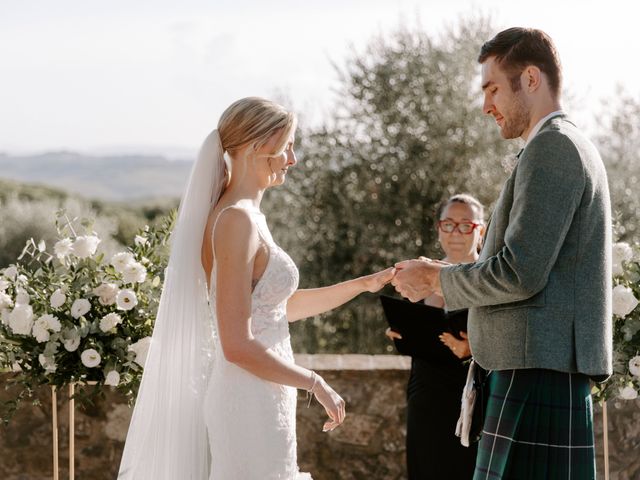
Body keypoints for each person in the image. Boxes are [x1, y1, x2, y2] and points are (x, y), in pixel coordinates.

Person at [118, 97, 394, 480]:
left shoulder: (245, 216)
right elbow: (236, 344)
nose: (292, 159)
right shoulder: (235, 221)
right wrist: (314, 382)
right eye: (287, 146)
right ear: (254, 148)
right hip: (246, 398)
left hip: (265, 393)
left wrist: (364, 284)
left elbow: (278, 309)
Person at [391, 28, 612, 480]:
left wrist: (437, 277)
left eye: (492, 87)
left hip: (534, 376)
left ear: (530, 79)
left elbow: (519, 272)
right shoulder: (558, 145)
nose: (486, 105)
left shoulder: (554, 147)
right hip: (531, 370)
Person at [386, 194, 485, 479]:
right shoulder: (418, 274)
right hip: (424, 392)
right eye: (449, 224)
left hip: (468, 396)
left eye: (466, 225)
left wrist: (471, 350)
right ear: (439, 228)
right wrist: (401, 334)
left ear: (480, 230)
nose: (456, 232)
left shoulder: (488, 280)